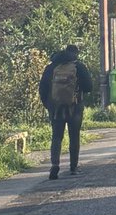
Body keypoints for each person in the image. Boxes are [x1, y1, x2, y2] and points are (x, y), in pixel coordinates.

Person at [38, 44, 93, 180]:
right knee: (74, 136)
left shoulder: (50, 68)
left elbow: (42, 89)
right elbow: (89, 87)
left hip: (55, 108)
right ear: (75, 54)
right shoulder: (78, 67)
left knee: (56, 136)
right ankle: (73, 167)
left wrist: (49, 105)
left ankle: (55, 164)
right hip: (75, 107)